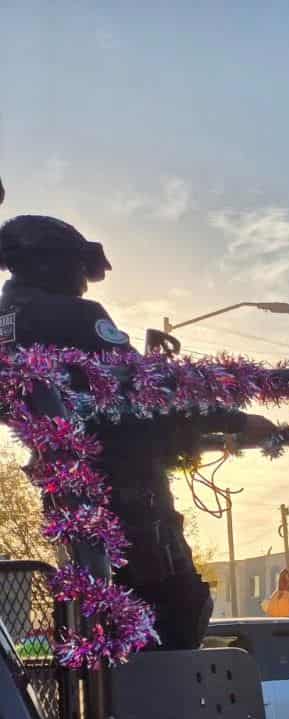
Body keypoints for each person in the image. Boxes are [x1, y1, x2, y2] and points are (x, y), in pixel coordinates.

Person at [0, 213, 273, 651]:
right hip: (133, 516)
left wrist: (191, 437)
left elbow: (100, 411)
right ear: (51, 263)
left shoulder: (8, 325)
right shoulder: (74, 316)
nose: (84, 284)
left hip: (78, 511)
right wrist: (235, 421)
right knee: (179, 611)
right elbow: (148, 388)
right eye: (76, 268)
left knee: (110, 633)